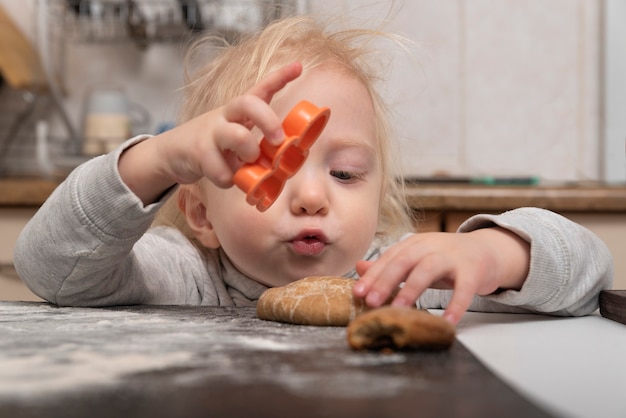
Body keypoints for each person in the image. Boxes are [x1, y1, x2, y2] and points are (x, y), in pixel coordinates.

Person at [14, 15, 612, 325]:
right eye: (270, 168)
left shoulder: (396, 277)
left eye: (347, 174)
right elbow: (49, 269)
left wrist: (493, 256)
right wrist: (158, 158)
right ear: (201, 213)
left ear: (377, 199)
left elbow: (587, 276)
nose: (310, 198)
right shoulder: (182, 277)